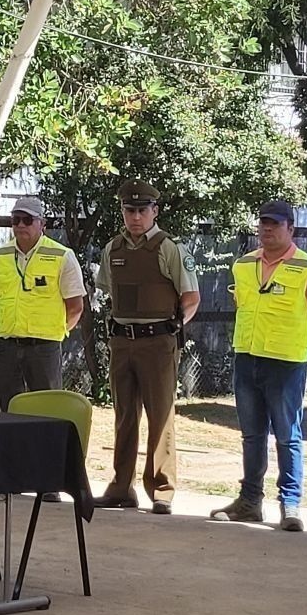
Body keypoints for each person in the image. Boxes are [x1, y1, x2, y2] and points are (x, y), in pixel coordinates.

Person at [211, 200, 307, 532]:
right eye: (263, 223)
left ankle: (290, 504)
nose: (267, 229)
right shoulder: (243, 265)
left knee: (287, 435)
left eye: (275, 224)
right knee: (252, 435)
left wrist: (301, 344)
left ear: (290, 229)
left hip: (286, 364)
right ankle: (250, 501)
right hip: (247, 358)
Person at [92, 180, 200, 515]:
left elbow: (191, 297)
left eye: (142, 210)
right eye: (129, 210)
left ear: (155, 211)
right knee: (124, 416)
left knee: (161, 416)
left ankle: (162, 489)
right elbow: (108, 291)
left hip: (158, 342)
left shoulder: (170, 248)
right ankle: (121, 486)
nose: (135, 217)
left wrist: (172, 330)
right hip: (123, 341)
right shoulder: (113, 249)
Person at [0, 196, 86, 411]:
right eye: (16, 220)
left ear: (42, 224)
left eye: (27, 220)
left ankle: (45, 446)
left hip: (44, 348)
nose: (20, 225)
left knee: (47, 410)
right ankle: (9, 446)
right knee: (8, 410)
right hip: (7, 346)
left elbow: (75, 306)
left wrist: (54, 329)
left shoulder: (62, 256)